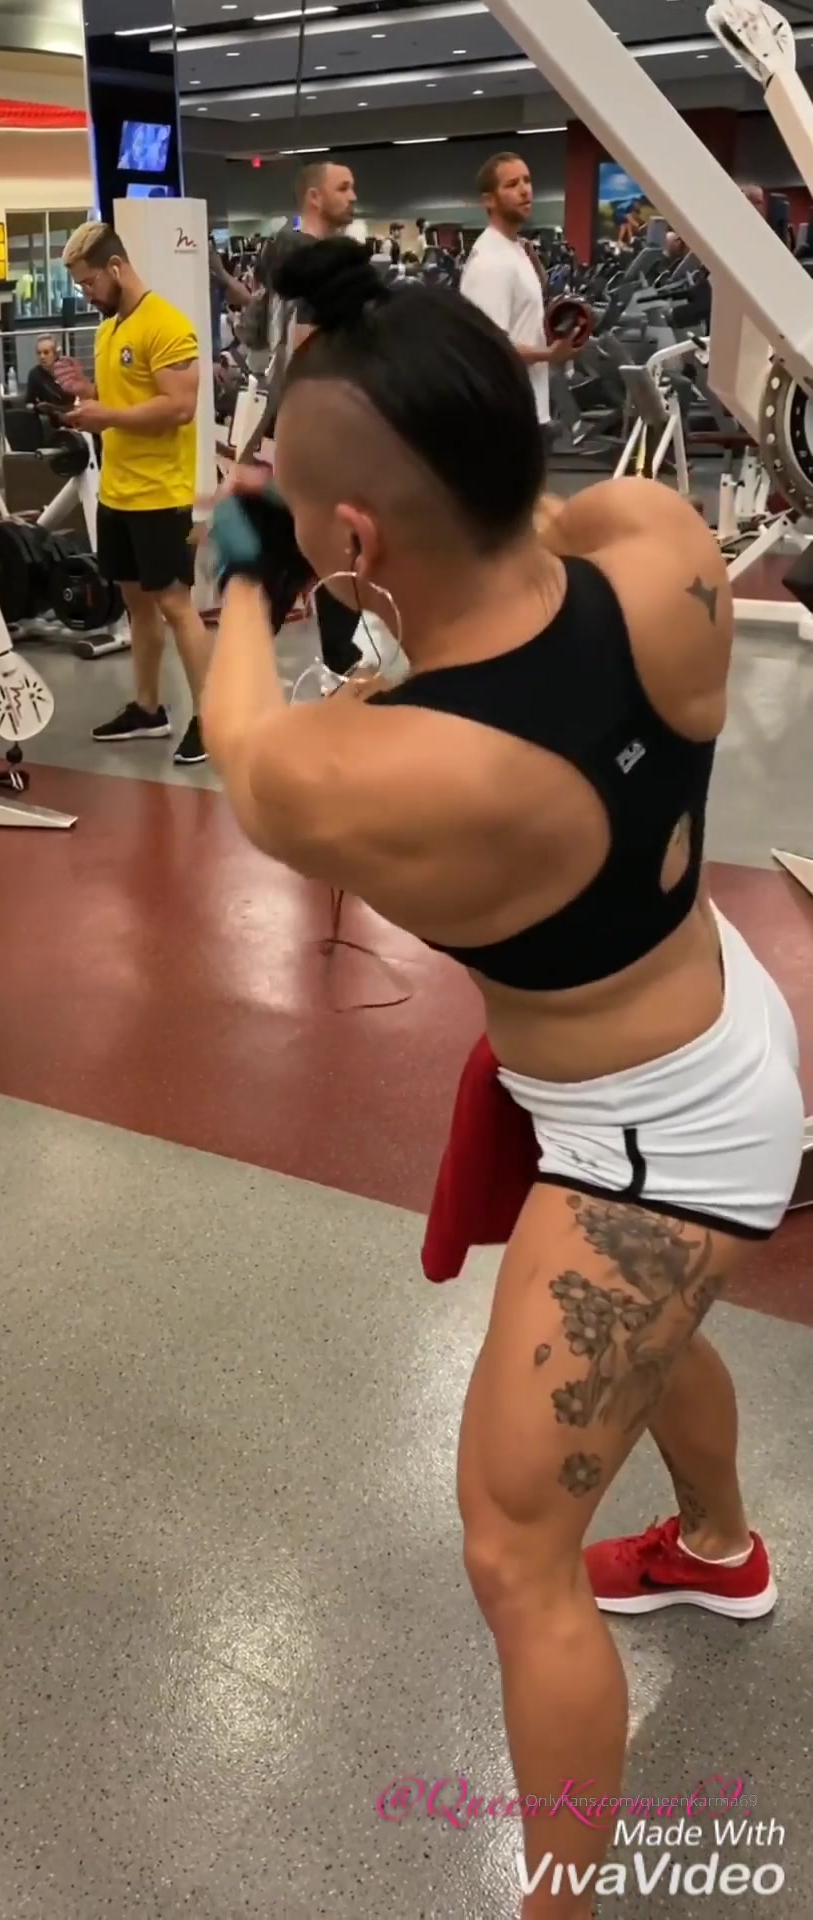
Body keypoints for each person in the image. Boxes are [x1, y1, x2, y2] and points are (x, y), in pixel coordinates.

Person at [198, 239, 803, 1919]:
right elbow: (524, 538)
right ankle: (716, 1550)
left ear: (356, 536)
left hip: (649, 1144)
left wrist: (245, 566)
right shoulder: (658, 544)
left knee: (514, 1551)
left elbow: (246, 747)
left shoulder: (381, 770)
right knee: (649, 1345)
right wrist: (343, 517)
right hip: (722, 1012)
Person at [61, 221, 210, 766]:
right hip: (118, 492)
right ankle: (148, 709)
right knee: (136, 606)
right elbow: (125, 399)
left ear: (116, 268)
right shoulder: (109, 330)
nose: (87, 294)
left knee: (175, 605)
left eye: (90, 282)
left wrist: (108, 416)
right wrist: (88, 394)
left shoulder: (166, 324)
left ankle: (213, 719)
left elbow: (180, 407)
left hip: (160, 493)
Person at [243, 160, 363, 679]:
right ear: (314, 197)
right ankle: (333, 658)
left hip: (292, 428)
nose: (353, 196)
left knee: (323, 550)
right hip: (311, 433)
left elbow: (255, 337)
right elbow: (304, 350)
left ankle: (339, 655)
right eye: (344, 188)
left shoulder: (283, 260)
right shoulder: (316, 266)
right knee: (300, 554)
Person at [460, 154, 577, 430]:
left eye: (527, 180)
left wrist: (534, 262)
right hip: (505, 414)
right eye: (512, 184)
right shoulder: (491, 262)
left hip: (527, 406)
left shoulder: (514, 247)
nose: (525, 190)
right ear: (489, 200)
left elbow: (529, 295)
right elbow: (489, 347)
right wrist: (549, 355)